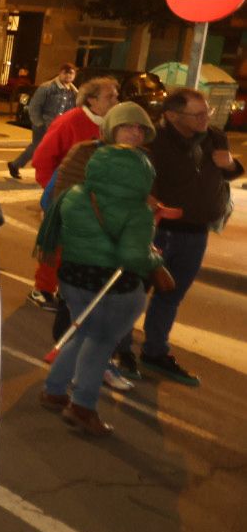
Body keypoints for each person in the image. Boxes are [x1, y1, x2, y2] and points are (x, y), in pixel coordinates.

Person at [35, 143, 169, 437]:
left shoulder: (74, 195)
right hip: (114, 289)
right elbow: (132, 256)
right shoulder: (137, 210)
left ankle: (54, 390)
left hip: (73, 279)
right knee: (100, 343)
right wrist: (156, 259)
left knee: (82, 332)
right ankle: (82, 406)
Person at [118, 88, 243, 386]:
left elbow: (229, 174)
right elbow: (130, 178)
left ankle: (155, 351)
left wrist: (230, 165)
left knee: (171, 295)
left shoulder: (215, 137)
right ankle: (119, 349)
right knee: (134, 293)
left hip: (196, 233)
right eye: (197, 114)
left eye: (207, 112)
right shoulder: (152, 141)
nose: (205, 118)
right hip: (155, 230)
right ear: (172, 115)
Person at [27, 77, 119, 311]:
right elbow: (42, 159)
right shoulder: (69, 122)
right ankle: (43, 289)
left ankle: (66, 291)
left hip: (93, 203)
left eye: (116, 95)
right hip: (65, 197)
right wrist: (55, 196)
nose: (116, 100)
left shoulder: (112, 126)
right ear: (92, 100)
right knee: (55, 246)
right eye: (110, 96)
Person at [9, 63, 77, 179]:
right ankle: (15, 165)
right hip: (44, 125)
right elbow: (34, 107)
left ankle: (51, 175)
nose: (68, 76)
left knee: (59, 151)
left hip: (60, 127)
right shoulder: (47, 87)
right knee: (37, 147)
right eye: (66, 72)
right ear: (60, 73)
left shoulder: (73, 92)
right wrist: (39, 123)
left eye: (71, 73)